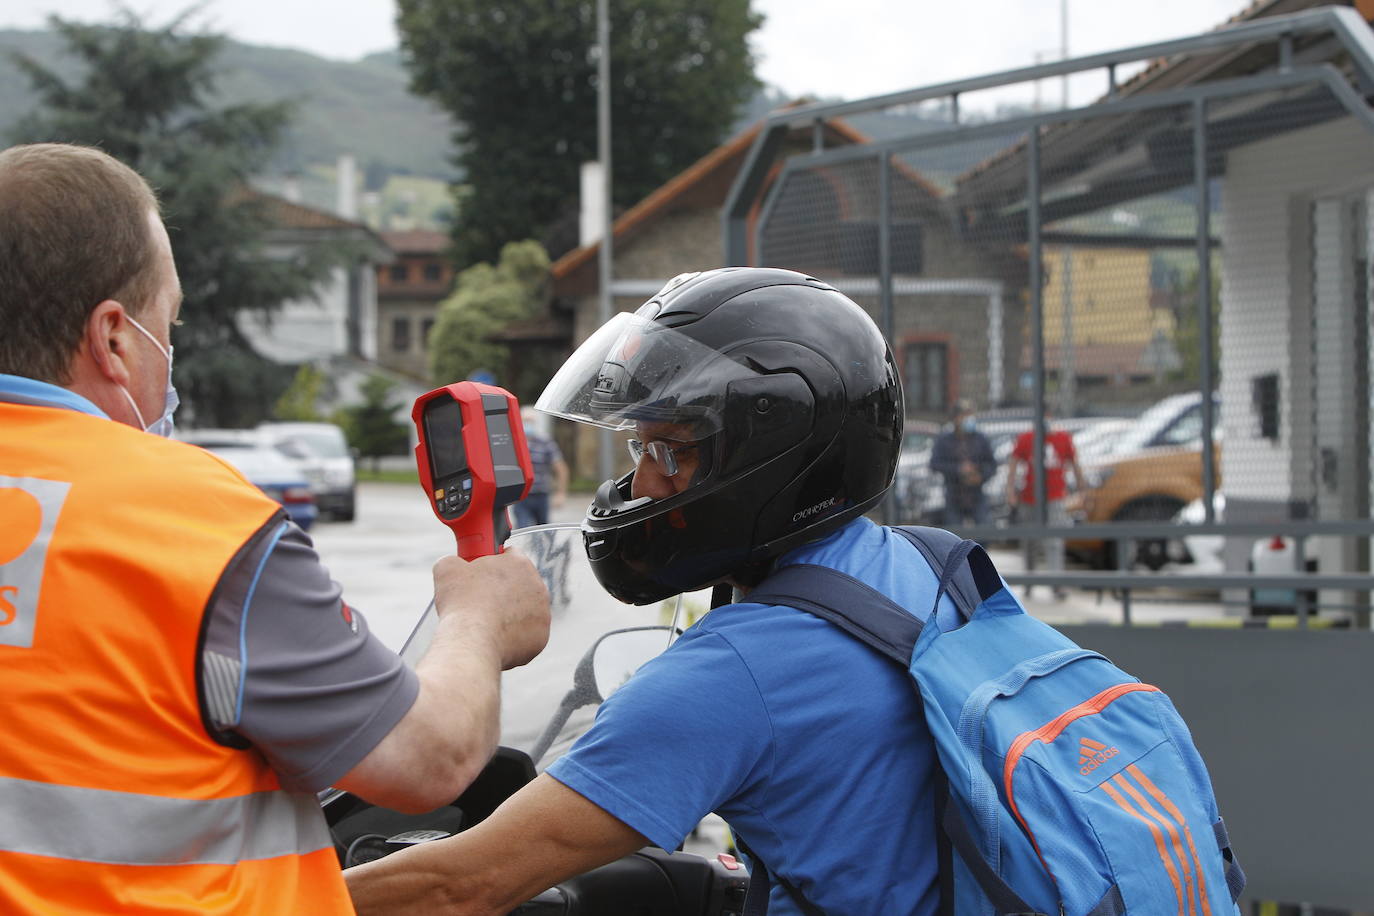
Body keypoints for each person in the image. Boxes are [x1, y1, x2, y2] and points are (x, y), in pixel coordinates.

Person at [0, 143, 551, 913]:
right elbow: (429, 759)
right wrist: (480, 621)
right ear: (115, 338)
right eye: (172, 321)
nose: (174, 349)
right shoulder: (190, 520)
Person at [346, 268, 953, 915]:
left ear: (772, 455)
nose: (638, 485)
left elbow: (460, 886)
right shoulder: (937, 566)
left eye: (670, 451)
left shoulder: (734, 675)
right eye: (639, 445)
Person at [1005, 408, 1085, 597]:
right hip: (1029, 497)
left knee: (1055, 541)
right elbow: (1014, 463)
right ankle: (1029, 581)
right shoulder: (1026, 438)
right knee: (1030, 543)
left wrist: (1082, 488)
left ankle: (1056, 584)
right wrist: (1010, 490)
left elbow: (1074, 463)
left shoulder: (1063, 438)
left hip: (1055, 496)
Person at [929, 399, 996, 528]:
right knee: (954, 532)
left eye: (970, 415)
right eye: (965, 415)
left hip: (976, 493)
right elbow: (935, 464)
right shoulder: (944, 440)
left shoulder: (980, 439)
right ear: (956, 418)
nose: (968, 419)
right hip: (954, 493)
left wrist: (980, 475)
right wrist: (959, 469)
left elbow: (991, 464)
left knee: (984, 529)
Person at [511, 405, 569, 527]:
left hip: (541, 495)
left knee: (543, 532)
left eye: (530, 421)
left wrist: (561, 493)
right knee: (523, 530)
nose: (528, 424)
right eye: (525, 421)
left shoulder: (545, 442)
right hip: (521, 497)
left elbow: (560, 468)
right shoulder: (513, 442)